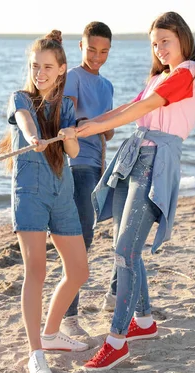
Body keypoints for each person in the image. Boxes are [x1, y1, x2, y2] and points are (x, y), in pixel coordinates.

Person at [76, 11, 195, 371]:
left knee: (125, 251)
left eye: (165, 41)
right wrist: (92, 122)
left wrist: (89, 131)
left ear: (182, 37)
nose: (160, 48)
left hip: (156, 162)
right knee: (125, 245)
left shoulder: (188, 72)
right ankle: (145, 322)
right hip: (134, 156)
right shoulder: (160, 76)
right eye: (154, 43)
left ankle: (116, 342)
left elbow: (147, 108)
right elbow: (131, 107)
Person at [0, 30, 90, 373]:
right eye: (35, 66)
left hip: (61, 191)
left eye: (48, 67)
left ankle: (51, 334)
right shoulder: (19, 98)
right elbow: (24, 119)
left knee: (79, 270)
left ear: (62, 69)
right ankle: (36, 352)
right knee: (36, 269)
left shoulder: (66, 106)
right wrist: (34, 136)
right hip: (30, 192)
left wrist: (70, 137)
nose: (40, 73)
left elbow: (74, 154)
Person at [62, 21, 116, 333]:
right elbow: (68, 117)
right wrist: (86, 122)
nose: (97, 56)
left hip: (98, 165)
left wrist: (104, 124)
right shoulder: (74, 78)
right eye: (92, 49)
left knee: (94, 235)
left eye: (104, 51)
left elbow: (107, 130)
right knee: (81, 240)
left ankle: (113, 293)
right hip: (77, 165)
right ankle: (69, 318)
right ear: (81, 46)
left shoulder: (107, 86)